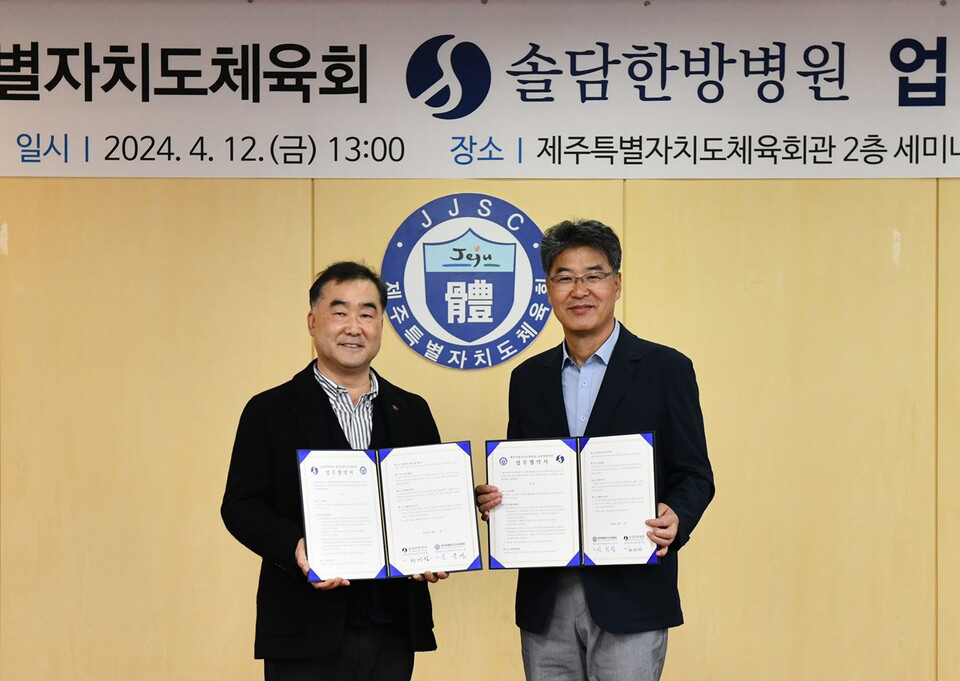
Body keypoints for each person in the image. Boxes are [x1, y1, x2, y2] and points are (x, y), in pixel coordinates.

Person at [476, 220, 715, 681]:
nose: (579, 290)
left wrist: (677, 516)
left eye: (593, 276)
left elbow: (694, 473)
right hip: (547, 597)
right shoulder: (527, 379)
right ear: (549, 289)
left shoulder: (666, 369)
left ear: (617, 284)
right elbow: (520, 470)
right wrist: (497, 500)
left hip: (632, 592)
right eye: (565, 277)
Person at [222, 261, 447, 681]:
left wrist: (440, 542)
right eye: (340, 312)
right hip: (303, 625)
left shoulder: (412, 410)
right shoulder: (269, 410)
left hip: (392, 625)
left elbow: (428, 500)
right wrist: (296, 547)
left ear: (382, 324)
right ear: (313, 322)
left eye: (367, 314)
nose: (354, 327)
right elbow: (241, 505)